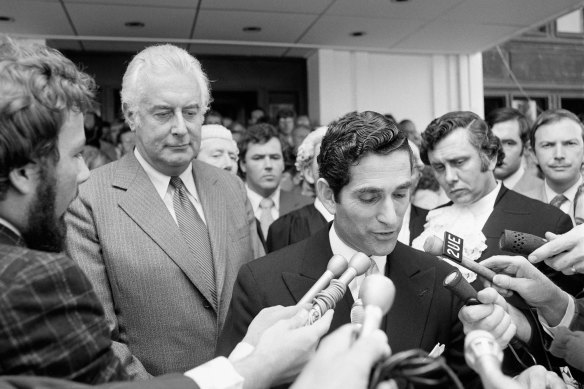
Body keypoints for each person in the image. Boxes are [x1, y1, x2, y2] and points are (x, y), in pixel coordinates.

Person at [218, 111, 478, 387]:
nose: (391, 216)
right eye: (369, 198)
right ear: (329, 196)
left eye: (401, 194)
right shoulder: (261, 284)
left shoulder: (441, 281)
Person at [65, 44, 264, 378]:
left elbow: (259, 293)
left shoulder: (231, 188)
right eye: (163, 113)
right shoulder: (89, 199)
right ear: (131, 116)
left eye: (191, 112)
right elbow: (97, 337)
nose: (180, 127)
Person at [411, 111, 578, 295]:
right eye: (439, 167)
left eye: (459, 162)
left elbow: (567, 311)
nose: (449, 178)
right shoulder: (428, 221)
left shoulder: (548, 220)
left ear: (490, 158)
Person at [238, 123, 312, 242]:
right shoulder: (229, 209)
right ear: (243, 165)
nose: (268, 165)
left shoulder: (307, 206)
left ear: (283, 163)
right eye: (258, 158)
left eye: (275, 157)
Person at [266, 126, 332, 252]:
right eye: (326, 159)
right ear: (308, 173)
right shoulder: (285, 229)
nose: (337, 165)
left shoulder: (365, 219)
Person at [522, 109, 584, 225]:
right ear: (533, 154)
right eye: (548, 145)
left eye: (570, 144)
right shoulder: (518, 205)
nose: (559, 155)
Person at [485, 108, 531, 190]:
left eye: (509, 143)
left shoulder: (543, 193)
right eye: (493, 142)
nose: (499, 151)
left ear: (526, 148)